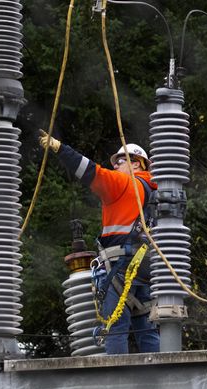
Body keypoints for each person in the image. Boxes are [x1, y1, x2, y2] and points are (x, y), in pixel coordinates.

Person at [38, 131, 160, 355]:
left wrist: (59, 148)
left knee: (115, 326)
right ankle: (162, 375)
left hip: (120, 265)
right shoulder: (157, 192)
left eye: (121, 161)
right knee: (146, 325)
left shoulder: (125, 184)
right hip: (146, 267)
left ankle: (117, 379)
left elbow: (89, 170)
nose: (116, 166)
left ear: (136, 164)